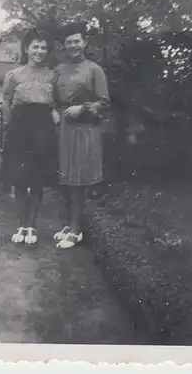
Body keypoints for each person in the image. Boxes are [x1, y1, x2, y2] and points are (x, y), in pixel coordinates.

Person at [52, 23, 110, 249]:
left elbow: (104, 101)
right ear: (64, 46)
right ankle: (69, 224)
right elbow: (51, 98)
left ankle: (76, 231)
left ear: (84, 43)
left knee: (77, 180)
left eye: (77, 41)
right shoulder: (58, 70)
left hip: (84, 129)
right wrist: (53, 112)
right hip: (62, 129)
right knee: (64, 180)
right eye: (69, 42)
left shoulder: (94, 69)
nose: (73, 45)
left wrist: (83, 108)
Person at [0, 29, 59, 245]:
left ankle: (32, 226)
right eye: (35, 46)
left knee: (37, 179)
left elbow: (55, 102)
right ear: (27, 48)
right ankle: (21, 225)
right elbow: (6, 101)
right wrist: (10, 124)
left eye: (43, 47)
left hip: (42, 126)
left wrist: (54, 115)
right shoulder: (13, 75)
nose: (39, 51)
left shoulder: (52, 75)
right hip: (19, 126)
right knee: (19, 178)